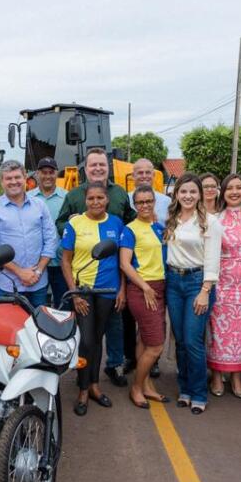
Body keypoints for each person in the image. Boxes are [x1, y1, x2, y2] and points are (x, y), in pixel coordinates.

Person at [57, 147, 136, 386]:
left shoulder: (120, 193)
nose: (98, 168)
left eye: (102, 164)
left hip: (112, 275)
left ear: (108, 167)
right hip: (85, 274)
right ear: (86, 168)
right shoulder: (74, 195)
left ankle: (114, 365)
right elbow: (60, 223)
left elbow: (131, 223)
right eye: (93, 165)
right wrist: (73, 226)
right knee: (86, 334)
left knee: (115, 325)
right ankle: (84, 373)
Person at [60, 182, 126, 416]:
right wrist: (75, 293)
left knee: (98, 339)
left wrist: (122, 289)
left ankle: (95, 386)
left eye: (100, 198)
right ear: (85, 200)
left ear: (107, 200)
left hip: (108, 290)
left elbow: (122, 260)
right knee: (86, 341)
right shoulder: (75, 223)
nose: (96, 202)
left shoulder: (116, 223)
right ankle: (83, 389)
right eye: (91, 198)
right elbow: (66, 261)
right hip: (84, 290)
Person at [164, 175, 221, 414]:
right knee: (180, 341)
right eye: (183, 191)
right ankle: (185, 389)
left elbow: (213, 259)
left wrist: (205, 291)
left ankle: (199, 393)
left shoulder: (210, 221)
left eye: (192, 192)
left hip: (197, 283)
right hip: (173, 281)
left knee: (192, 340)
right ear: (176, 194)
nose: (188, 196)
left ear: (200, 195)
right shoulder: (171, 219)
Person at [206, 174, 241, 399]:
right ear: (223, 192)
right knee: (218, 330)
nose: (235, 192)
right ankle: (217, 375)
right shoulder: (215, 217)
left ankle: (237, 377)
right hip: (222, 280)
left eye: (239, 188)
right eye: (230, 188)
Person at [0, 160, 57, 308]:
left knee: (39, 322)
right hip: (8, 285)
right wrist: (20, 272)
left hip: (38, 283)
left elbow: (51, 240)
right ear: (1, 181)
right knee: (9, 323)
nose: (14, 182)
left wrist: (38, 271)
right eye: (9, 178)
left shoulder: (39, 205)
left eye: (17, 177)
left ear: (25, 177)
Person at [119, 185, 168, 409]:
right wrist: (145, 287)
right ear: (134, 204)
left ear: (154, 202)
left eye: (149, 201)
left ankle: (146, 385)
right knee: (156, 345)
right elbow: (125, 264)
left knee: (144, 340)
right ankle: (137, 387)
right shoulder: (130, 230)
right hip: (143, 289)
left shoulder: (159, 227)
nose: (145, 205)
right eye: (140, 202)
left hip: (160, 286)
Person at [27, 156, 69, 306]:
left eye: (51, 172)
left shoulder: (67, 197)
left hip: (60, 262)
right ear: (37, 174)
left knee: (63, 305)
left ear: (56, 173)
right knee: (36, 307)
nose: (47, 176)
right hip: (35, 264)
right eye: (44, 172)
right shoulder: (27, 198)